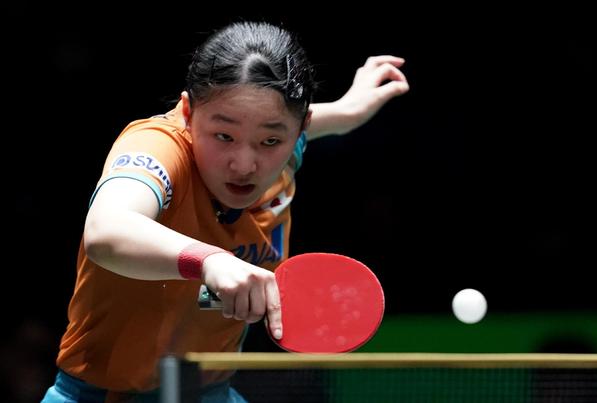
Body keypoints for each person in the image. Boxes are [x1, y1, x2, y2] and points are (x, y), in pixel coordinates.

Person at [42, 20, 408, 402]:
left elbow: (273, 123)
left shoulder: (285, 151)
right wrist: (209, 261)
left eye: (270, 141)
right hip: (100, 395)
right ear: (187, 112)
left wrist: (347, 112)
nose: (244, 165)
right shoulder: (159, 147)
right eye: (223, 136)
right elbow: (106, 230)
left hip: (208, 393)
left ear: (299, 130)